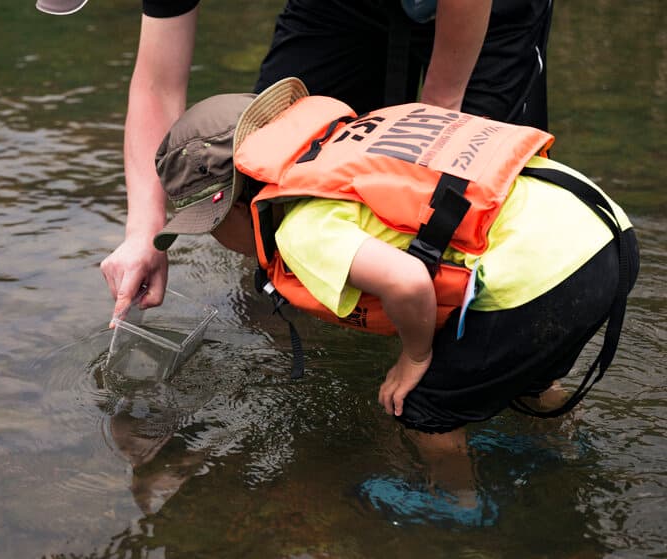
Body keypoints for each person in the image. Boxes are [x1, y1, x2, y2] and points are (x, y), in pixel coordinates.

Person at [148, 78, 639, 450]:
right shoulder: (347, 145)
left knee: (422, 410)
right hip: (604, 231)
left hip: (541, 280)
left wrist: (415, 357)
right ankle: (565, 452)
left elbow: (406, 281)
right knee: (533, 380)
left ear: (235, 206)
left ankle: (454, 514)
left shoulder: (302, 229)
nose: (214, 239)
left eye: (208, 225)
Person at [36, 0, 554, 321]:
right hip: (340, 8)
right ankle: (305, 336)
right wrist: (143, 235)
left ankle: (522, 393)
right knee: (264, 182)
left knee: (475, 217)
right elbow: (156, 84)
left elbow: (442, 112)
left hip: (484, 9)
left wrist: (436, 116)